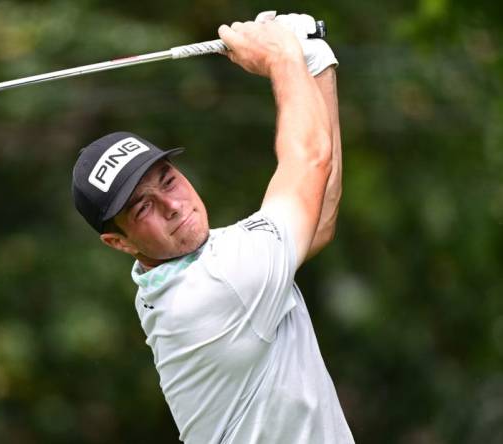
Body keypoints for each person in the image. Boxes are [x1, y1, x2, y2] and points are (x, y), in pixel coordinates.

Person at [71, 11, 352, 444]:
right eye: (143, 207)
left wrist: (313, 61)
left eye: (168, 180)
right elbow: (309, 162)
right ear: (118, 242)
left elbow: (319, 219)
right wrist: (282, 58)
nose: (171, 205)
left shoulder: (193, 266)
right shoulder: (217, 286)